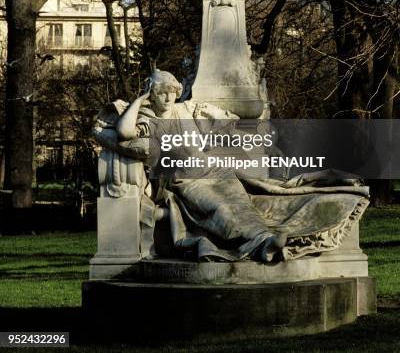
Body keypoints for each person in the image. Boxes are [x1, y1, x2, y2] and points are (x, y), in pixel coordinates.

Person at [107, 69, 370, 263]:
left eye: (171, 92)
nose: (167, 98)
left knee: (243, 204)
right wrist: (140, 100)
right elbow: (123, 132)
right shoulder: (147, 119)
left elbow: (227, 121)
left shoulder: (186, 111)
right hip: (186, 181)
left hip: (215, 170)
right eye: (160, 93)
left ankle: (266, 236)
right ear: (152, 94)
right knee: (222, 209)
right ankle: (262, 242)